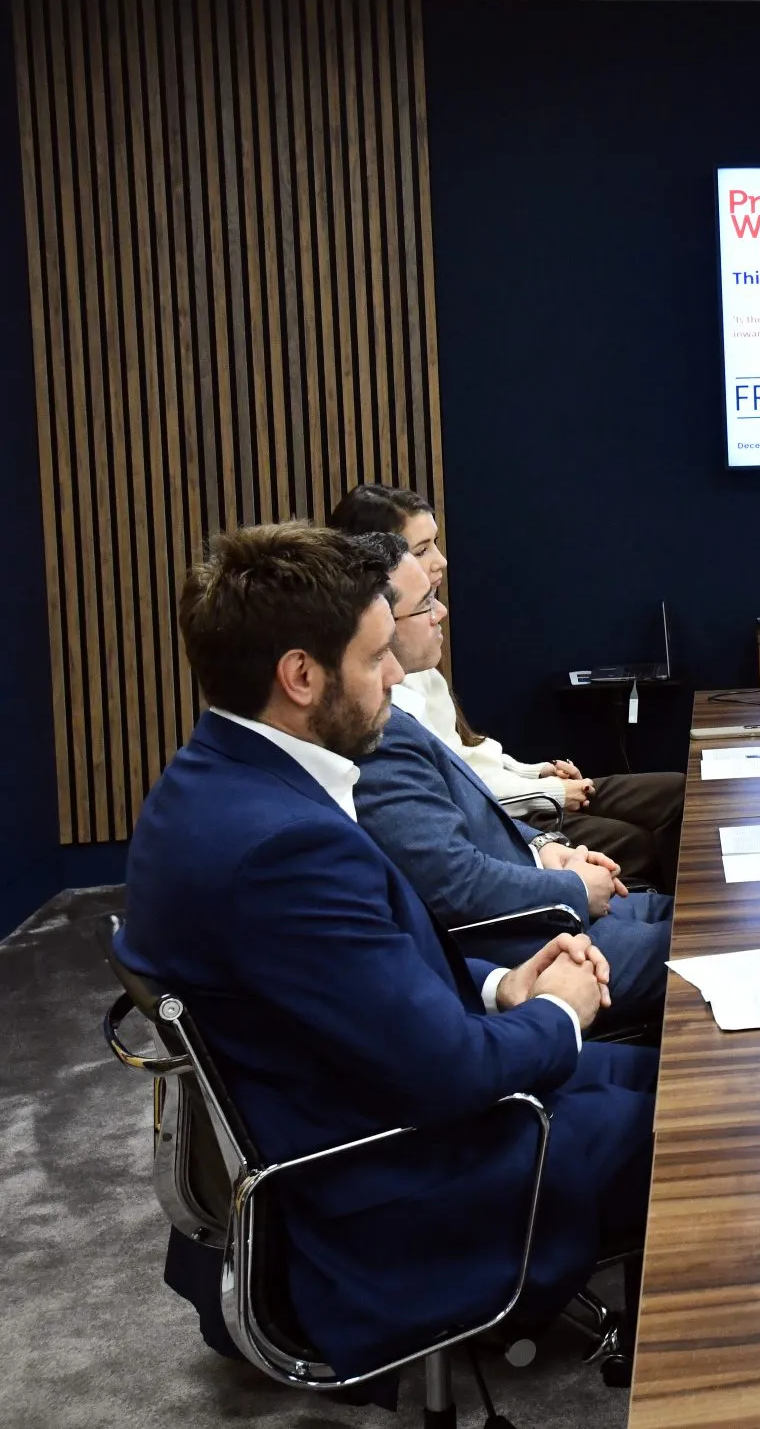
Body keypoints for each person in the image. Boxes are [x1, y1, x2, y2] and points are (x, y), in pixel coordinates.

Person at [116, 523, 653, 1380]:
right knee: (714, 1122)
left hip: (372, 1104)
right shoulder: (282, 847)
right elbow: (443, 1074)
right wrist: (562, 1008)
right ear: (300, 675)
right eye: (374, 659)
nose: (399, 676)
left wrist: (502, 988)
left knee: (672, 1069)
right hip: (399, 1178)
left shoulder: (211, 780)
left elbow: (366, 989)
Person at [354, 539, 672, 1040]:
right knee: (716, 942)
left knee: (703, 914)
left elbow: (473, 805)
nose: (441, 611)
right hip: (525, 944)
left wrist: (546, 849)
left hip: (540, 911)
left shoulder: (400, 705)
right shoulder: (376, 733)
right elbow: (454, 884)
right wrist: (570, 887)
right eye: (423, 605)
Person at [329, 483, 685, 887]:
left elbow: (467, 750)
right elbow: (457, 796)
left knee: (676, 792)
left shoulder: (419, 653)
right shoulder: (380, 704)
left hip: (517, 795)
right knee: (635, 843)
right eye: (422, 548)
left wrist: (535, 774)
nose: (440, 562)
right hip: (503, 814)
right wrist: (545, 792)